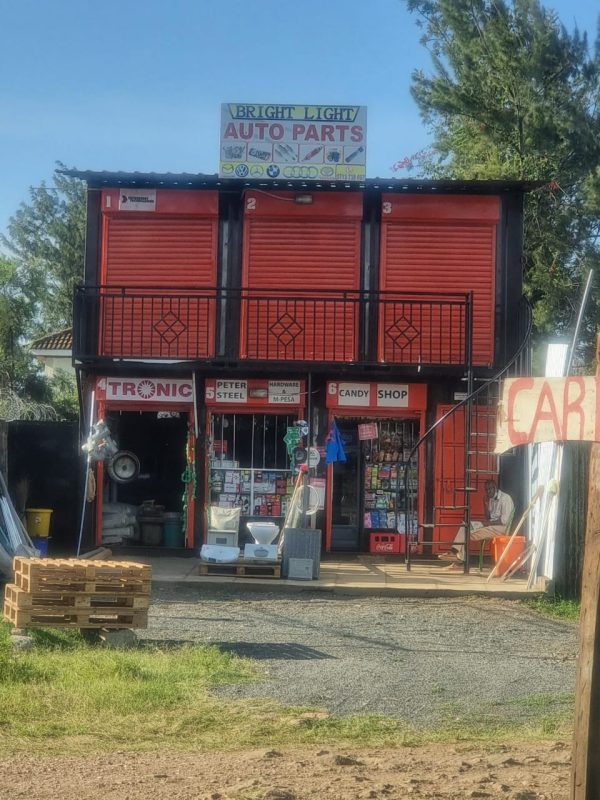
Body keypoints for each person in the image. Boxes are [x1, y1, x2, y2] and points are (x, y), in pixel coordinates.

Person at [439, 480, 514, 567]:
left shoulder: (505, 498)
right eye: (486, 490)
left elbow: (504, 521)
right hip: (491, 525)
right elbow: (488, 517)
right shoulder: (491, 499)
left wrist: (485, 524)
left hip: (501, 528)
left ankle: (457, 559)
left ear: (495, 488)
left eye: (490, 489)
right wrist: (485, 505)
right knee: (465, 526)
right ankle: (455, 555)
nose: (488, 491)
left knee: (465, 533)